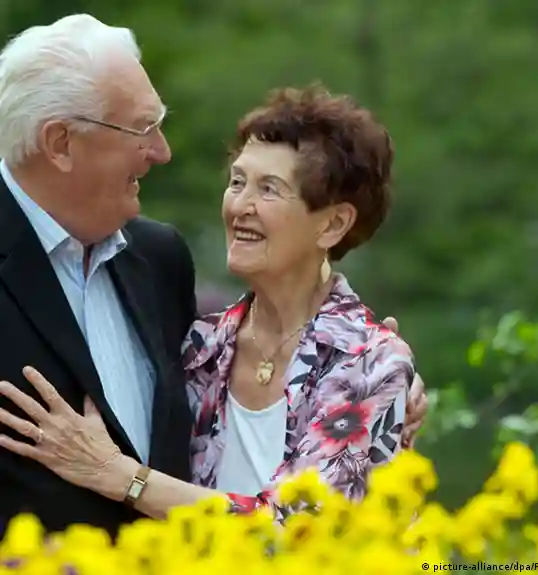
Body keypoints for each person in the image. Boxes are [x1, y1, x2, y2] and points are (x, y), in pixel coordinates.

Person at [0, 84, 425, 524]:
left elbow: (302, 528)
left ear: (333, 224)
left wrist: (122, 477)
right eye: (237, 182)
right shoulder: (202, 345)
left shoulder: (369, 362)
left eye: (269, 189)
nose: (240, 205)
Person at [0, 15, 195, 537]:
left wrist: (358, 363)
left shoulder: (162, 259)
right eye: (143, 128)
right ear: (61, 143)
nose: (162, 151)